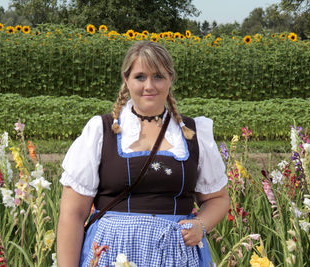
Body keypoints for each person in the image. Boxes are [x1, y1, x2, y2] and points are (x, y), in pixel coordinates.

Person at [57, 40, 230, 267]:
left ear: (170, 80)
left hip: (175, 256)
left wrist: (201, 225)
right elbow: (73, 214)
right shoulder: (101, 131)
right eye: (140, 77)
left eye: (158, 76)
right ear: (126, 80)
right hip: (111, 254)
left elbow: (218, 199)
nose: (149, 85)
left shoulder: (193, 133)